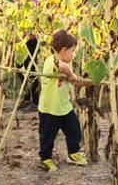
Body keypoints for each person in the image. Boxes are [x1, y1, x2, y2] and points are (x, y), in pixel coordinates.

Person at [37, 29, 88, 172]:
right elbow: (61, 67)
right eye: (72, 51)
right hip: (49, 109)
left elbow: (72, 78)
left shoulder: (67, 65)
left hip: (64, 107)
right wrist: (71, 75)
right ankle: (46, 159)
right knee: (47, 136)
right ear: (64, 50)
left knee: (74, 129)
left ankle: (73, 153)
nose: (74, 54)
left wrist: (83, 81)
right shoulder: (50, 61)